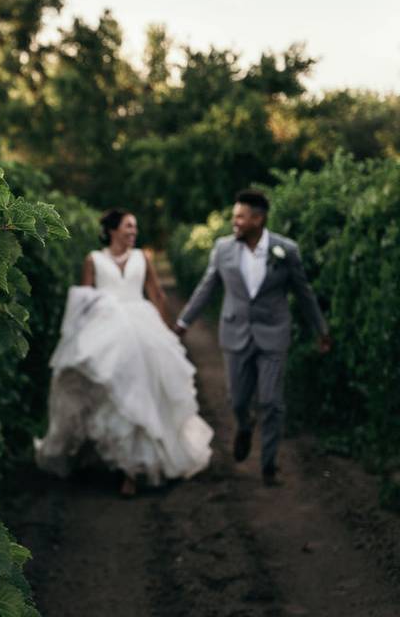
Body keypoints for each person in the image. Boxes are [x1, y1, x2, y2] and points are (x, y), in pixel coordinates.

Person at [34, 209, 213, 496]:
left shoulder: (144, 257)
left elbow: (156, 294)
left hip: (141, 327)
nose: (133, 232)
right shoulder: (93, 259)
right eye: (129, 227)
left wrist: (168, 330)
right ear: (113, 230)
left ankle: (134, 469)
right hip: (107, 329)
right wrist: (79, 338)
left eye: (135, 227)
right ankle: (114, 461)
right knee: (111, 392)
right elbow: (84, 299)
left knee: (143, 389)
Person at [174, 189, 331, 487]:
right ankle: (244, 426)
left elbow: (304, 293)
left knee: (272, 401)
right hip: (235, 332)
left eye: (240, 217)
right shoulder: (222, 249)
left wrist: (321, 330)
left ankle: (269, 466)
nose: (235, 221)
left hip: (273, 334)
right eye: (234, 216)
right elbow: (206, 288)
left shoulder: (286, 251)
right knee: (236, 400)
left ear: (258, 219)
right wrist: (184, 322)